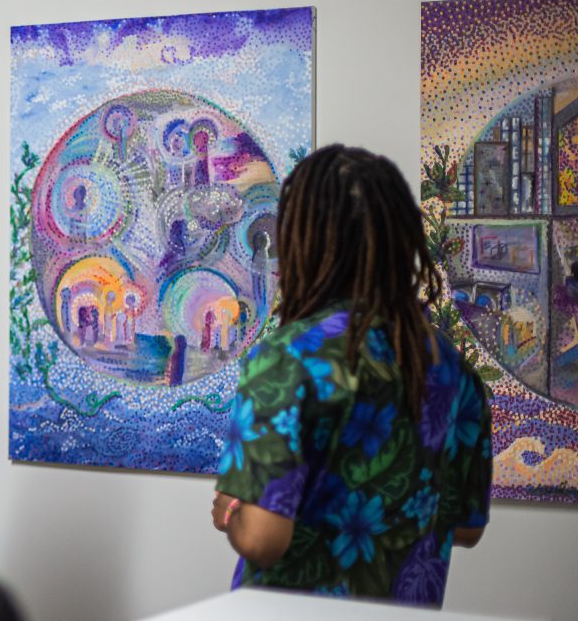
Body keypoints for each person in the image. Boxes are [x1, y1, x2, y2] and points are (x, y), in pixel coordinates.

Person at [211, 145, 492, 606]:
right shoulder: (450, 367)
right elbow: (466, 526)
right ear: (400, 239)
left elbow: (262, 540)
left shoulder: (288, 357)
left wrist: (231, 512)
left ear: (303, 238)